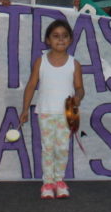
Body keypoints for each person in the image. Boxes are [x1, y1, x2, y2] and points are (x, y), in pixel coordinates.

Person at [19, 19, 84, 199]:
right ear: (48, 40)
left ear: (70, 40)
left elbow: (80, 88)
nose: (60, 40)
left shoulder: (74, 64)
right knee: (48, 147)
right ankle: (47, 183)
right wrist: (25, 109)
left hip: (67, 112)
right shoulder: (41, 61)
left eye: (64, 36)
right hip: (46, 111)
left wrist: (77, 98)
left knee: (62, 148)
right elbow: (31, 85)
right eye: (55, 36)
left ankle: (59, 181)